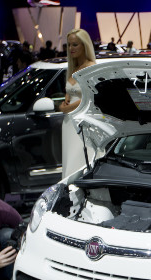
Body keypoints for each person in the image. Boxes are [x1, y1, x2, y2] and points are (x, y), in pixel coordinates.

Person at [59, 28, 97, 177]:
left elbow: (91, 96)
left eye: (75, 45)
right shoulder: (73, 68)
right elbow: (69, 94)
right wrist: (64, 104)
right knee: (69, 161)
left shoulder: (91, 67)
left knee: (80, 161)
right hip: (68, 122)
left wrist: (67, 108)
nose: (71, 49)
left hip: (83, 122)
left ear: (84, 45)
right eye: (69, 45)